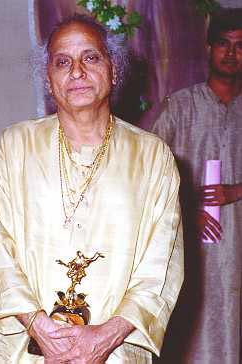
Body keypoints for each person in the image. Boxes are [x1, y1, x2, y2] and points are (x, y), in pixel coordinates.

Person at [0, 14, 184, 363]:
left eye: (90, 57)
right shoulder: (12, 148)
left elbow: (161, 267)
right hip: (24, 348)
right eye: (62, 62)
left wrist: (105, 337)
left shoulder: (152, 156)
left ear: (113, 69)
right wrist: (38, 327)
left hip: (114, 350)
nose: (77, 71)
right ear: (48, 79)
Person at [152, 9, 242, 364]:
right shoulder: (180, 107)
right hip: (194, 247)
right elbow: (150, 174)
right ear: (208, 49)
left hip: (237, 248)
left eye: (240, 46)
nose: (232, 53)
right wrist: (188, 208)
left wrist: (235, 191)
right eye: (223, 44)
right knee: (193, 334)